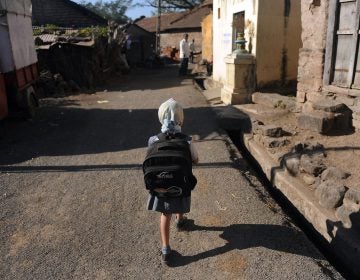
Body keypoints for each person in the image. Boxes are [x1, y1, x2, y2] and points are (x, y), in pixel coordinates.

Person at [146, 98, 199, 264]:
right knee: (181, 187)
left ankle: (165, 248)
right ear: (181, 119)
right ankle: (181, 220)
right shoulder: (187, 140)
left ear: (160, 118)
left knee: (165, 213)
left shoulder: (153, 140)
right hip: (180, 184)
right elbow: (196, 159)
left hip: (161, 186)